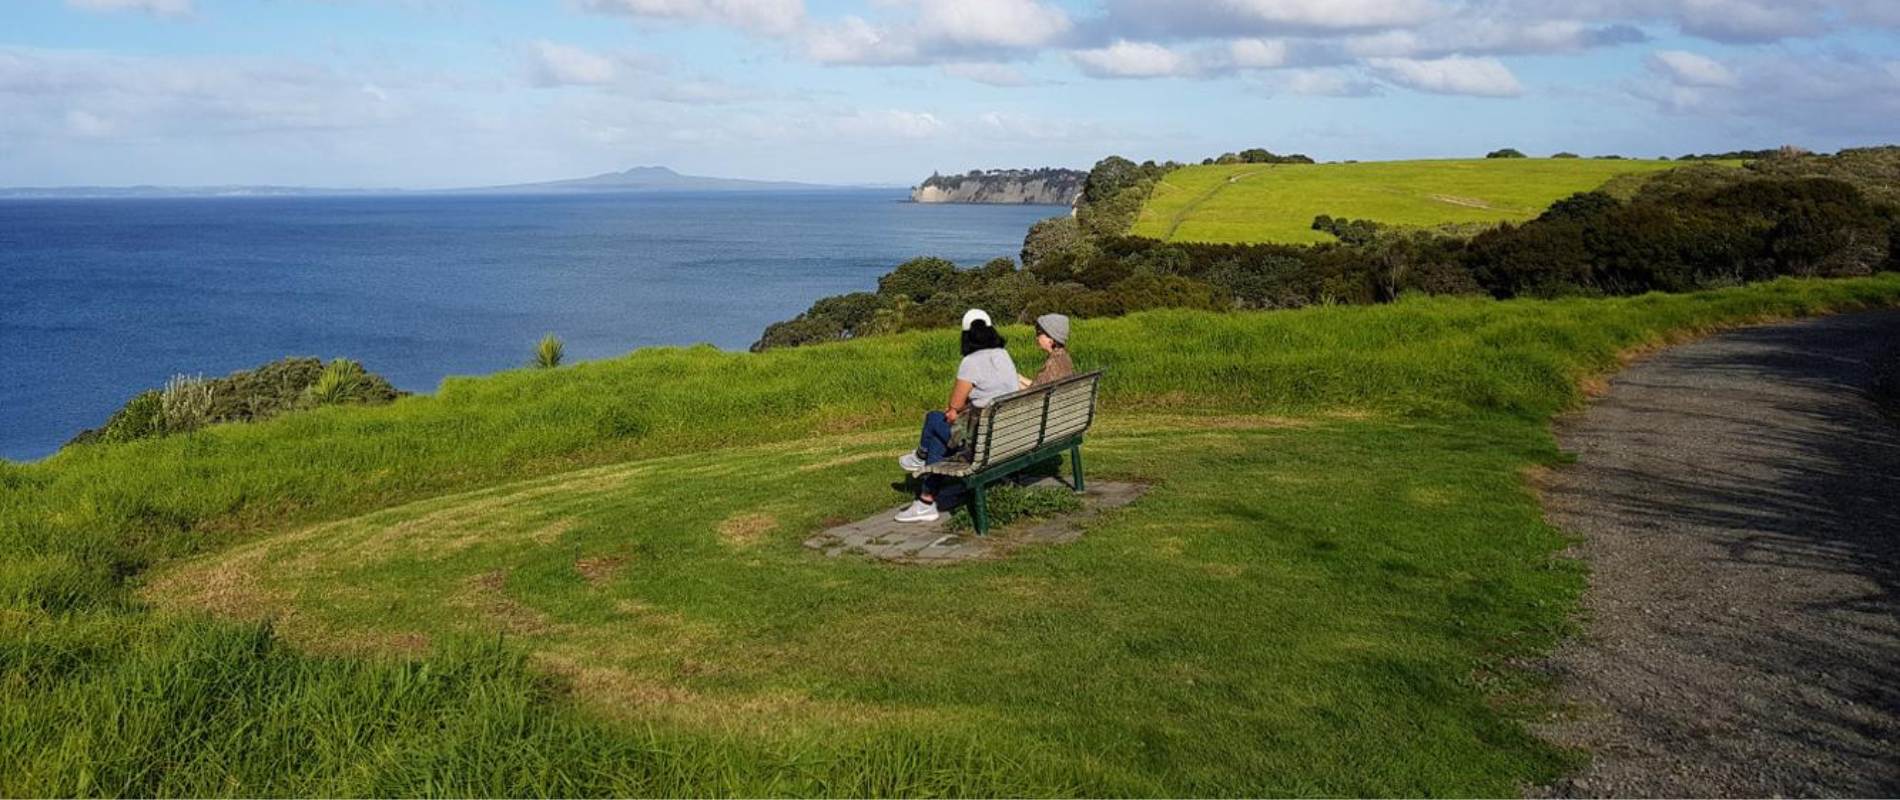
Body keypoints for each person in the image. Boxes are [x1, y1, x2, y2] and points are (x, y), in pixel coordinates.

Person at [893, 309, 1018, 523]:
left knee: (934, 419)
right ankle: (925, 499)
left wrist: (953, 411)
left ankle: (922, 465)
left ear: (966, 336)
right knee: (939, 438)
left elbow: (955, 405)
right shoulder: (1003, 355)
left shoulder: (970, 361)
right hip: (1007, 435)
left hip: (981, 443)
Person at [1020, 313, 1073, 389]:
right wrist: (1020, 378)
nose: (1037, 338)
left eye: (1039, 333)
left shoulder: (1052, 365)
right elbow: (1038, 387)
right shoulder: (1064, 358)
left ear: (1050, 339)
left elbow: (1032, 394)